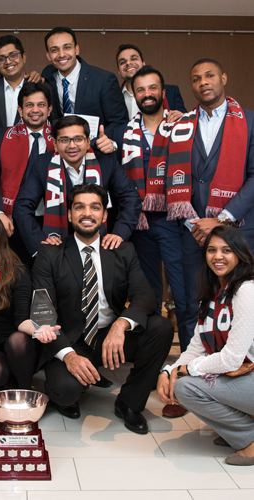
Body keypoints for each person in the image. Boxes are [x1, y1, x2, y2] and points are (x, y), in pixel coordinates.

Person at [33, 183, 174, 432]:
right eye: (79, 207)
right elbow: (43, 314)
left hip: (110, 336)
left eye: (94, 207)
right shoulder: (50, 254)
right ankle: (73, 385)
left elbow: (146, 295)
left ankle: (129, 403)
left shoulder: (122, 250)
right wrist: (69, 356)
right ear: (69, 214)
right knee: (65, 392)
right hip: (70, 339)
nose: (87, 213)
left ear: (104, 215)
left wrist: (121, 324)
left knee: (160, 328)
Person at [165, 58, 254, 376]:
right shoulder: (180, 126)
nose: (203, 82)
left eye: (210, 75)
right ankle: (187, 375)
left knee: (240, 301)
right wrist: (193, 221)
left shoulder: (250, 122)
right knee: (192, 303)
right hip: (192, 230)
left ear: (224, 77)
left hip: (238, 231)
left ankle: (242, 374)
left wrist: (222, 219)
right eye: (196, 78)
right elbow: (171, 176)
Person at [157, 225, 254, 466]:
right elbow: (197, 347)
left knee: (188, 387)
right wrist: (168, 371)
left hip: (248, 372)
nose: (217, 256)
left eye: (226, 250)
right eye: (211, 250)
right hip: (244, 375)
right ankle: (239, 430)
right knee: (184, 381)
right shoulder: (213, 292)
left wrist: (184, 371)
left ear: (240, 254)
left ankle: (249, 440)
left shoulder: (246, 290)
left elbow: (231, 359)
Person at [121, 66, 188, 350]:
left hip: (173, 221)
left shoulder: (184, 126)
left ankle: (188, 362)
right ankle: (151, 364)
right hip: (139, 224)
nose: (147, 94)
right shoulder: (122, 132)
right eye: (140, 89)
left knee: (184, 295)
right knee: (148, 298)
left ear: (163, 92)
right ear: (133, 95)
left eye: (152, 88)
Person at [13, 114, 141, 259]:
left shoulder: (105, 160)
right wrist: (40, 244)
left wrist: (119, 234)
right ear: (55, 144)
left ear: (88, 142)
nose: (72, 145)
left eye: (78, 139)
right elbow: (22, 207)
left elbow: (130, 198)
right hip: (59, 248)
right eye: (64, 140)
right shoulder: (42, 164)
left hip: (102, 244)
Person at [0, 209, 59, 393]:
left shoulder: (18, 271)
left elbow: (22, 320)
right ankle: (4, 381)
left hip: (19, 340)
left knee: (17, 341)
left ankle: (25, 390)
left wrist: (39, 330)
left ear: (0, 239)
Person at [0, 81, 55, 265]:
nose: (35, 110)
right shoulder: (0, 137)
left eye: (41, 105)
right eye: (29, 105)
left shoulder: (63, 139)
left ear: (50, 109)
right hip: (8, 221)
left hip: (49, 220)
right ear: (20, 111)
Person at [41, 27, 128, 154]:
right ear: (48, 55)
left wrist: (100, 141)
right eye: (55, 50)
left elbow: (119, 121)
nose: (61, 54)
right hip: (62, 156)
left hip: (96, 153)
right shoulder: (48, 77)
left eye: (67, 47)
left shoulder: (103, 79)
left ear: (77, 49)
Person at [0, 35, 58, 135]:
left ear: (24, 57)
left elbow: (54, 123)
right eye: (2, 59)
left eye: (13, 55)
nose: (8, 61)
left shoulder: (43, 88)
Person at [115, 43, 186, 121]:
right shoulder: (113, 96)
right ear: (119, 72)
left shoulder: (171, 92)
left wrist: (182, 117)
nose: (128, 63)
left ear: (143, 64)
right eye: (123, 62)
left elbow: (184, 120)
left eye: (134, 59)